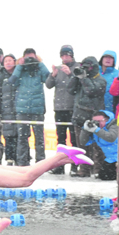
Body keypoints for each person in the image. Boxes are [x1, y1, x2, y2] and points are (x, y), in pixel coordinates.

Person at [67, 56, 107, 177]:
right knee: (82, 145)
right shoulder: (81, 79)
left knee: (97, 146)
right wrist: (76, 76)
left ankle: (97, 169)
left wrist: (84, 78)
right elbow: (70, 89)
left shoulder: (101, 80)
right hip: (80, 116)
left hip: (94, 117)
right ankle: (84, 169)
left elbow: (92, 91)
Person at [10, 49, 50, 166]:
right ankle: (23, 162)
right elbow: (12, 81)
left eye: (32, 58)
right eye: (28, 58)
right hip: (22, 109)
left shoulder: (39, 70)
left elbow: (48, 78)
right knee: (22, 138)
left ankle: (41, 162)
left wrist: (39, 63)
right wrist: (19, 66)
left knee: (39, 138)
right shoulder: (20, 71)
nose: (30, 61)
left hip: (37, 109)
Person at [82, 109, 119, 180]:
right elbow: (84, 142)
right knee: (104, 176)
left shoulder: (116, 124)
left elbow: (111, 137)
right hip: (112, 159)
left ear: (107, 119)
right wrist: (85, 130)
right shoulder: (97, 130)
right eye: (94, 121)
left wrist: (96, 130)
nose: (97, 123)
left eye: (99, 121)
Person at [45, 45, 77, 174]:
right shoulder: (57, 69)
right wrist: (53, 75)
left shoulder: (77, 68)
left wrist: (70, 74)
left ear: (72, 55)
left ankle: (75, 166)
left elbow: (78, 85)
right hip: (59, 108)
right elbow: (48, 85)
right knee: (61, 139)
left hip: (73, 108)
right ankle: (59, 166)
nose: (65, 58)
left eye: (67, 55)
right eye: (63, 55)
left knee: (75, 139)